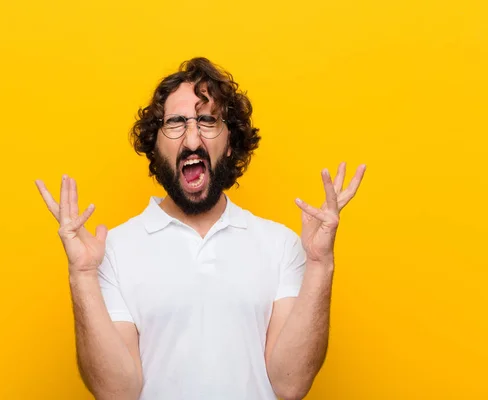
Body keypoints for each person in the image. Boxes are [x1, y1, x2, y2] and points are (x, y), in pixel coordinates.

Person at [35, 57, 366, 400]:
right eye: (176, 122)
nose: (192, 139)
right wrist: (82, 273)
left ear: (231, 141)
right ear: (155, 144)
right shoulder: (113, 251)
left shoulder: (279, 244)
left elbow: (290, 384)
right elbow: (117, 392)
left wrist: (320, 263)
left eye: (207, 120)